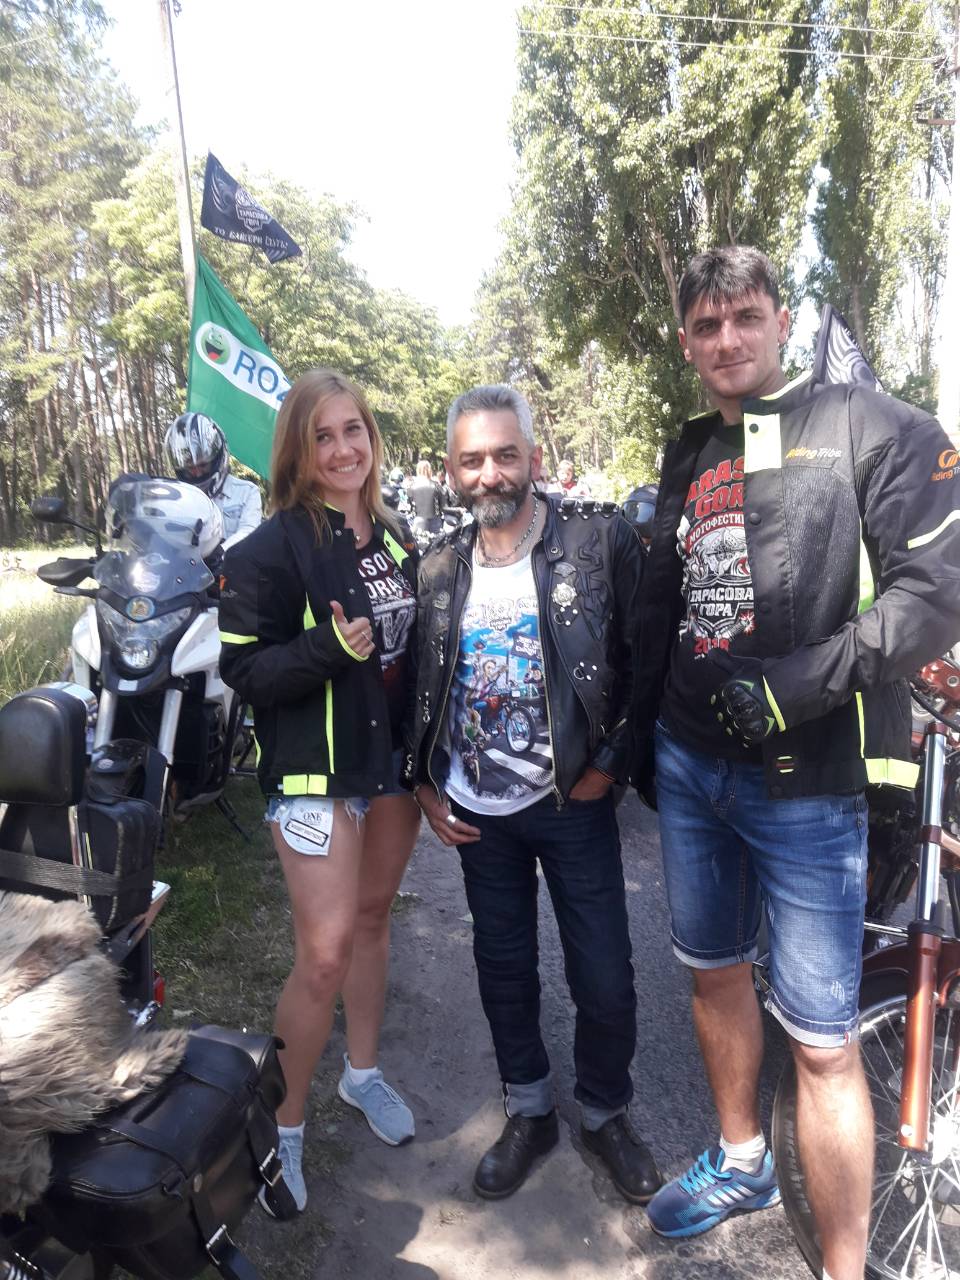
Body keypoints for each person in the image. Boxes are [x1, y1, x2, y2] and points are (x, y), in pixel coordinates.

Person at [633, 246, 960, 1280]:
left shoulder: (875, 426)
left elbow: (934, 597)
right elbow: (664, 603)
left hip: (810, 782)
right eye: (706, 325)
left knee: (822, 1038)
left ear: (783, 321)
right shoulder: (690, 448)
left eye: (745, 317)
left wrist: (796, 687)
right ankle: (741, 1160)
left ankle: (844, 1268)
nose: (727, 338)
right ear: (687, 344)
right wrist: (639, 739)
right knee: (714, 971)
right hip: (690, 767)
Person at [404, 384, 660, 1205]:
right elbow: (418, 681)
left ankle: (606, 1113)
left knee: (605, 976)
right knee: (504, 968)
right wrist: (421, 780)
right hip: (480, 813)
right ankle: (531, 1110)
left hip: (573, 804)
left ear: (533, 459)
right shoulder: (438, 566)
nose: (490, 474)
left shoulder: (596, 540)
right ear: (452, 471)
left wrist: (610, 763)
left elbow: (646, 659)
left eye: (505, 455)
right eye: (473, 460)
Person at [218, 369, 421, 1213]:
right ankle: (283, 1126)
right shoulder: (266, 548)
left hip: (391, 770)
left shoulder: (396, 534)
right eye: (322, 436)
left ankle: (361, 1075)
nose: (342, 450)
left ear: (372, 436)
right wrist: (328, 651)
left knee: (372, 921)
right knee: (325, 953)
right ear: (297, 452)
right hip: (314, 774)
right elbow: (243, 671)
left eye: (353, 430)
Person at [164, 412, 262, 549]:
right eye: (190, 468)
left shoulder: (247, 492)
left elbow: (249, 531)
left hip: (235, 562)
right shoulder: (177, 502)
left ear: (216, 459)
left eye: (203, 465)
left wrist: (221, 551)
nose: (197, 473)